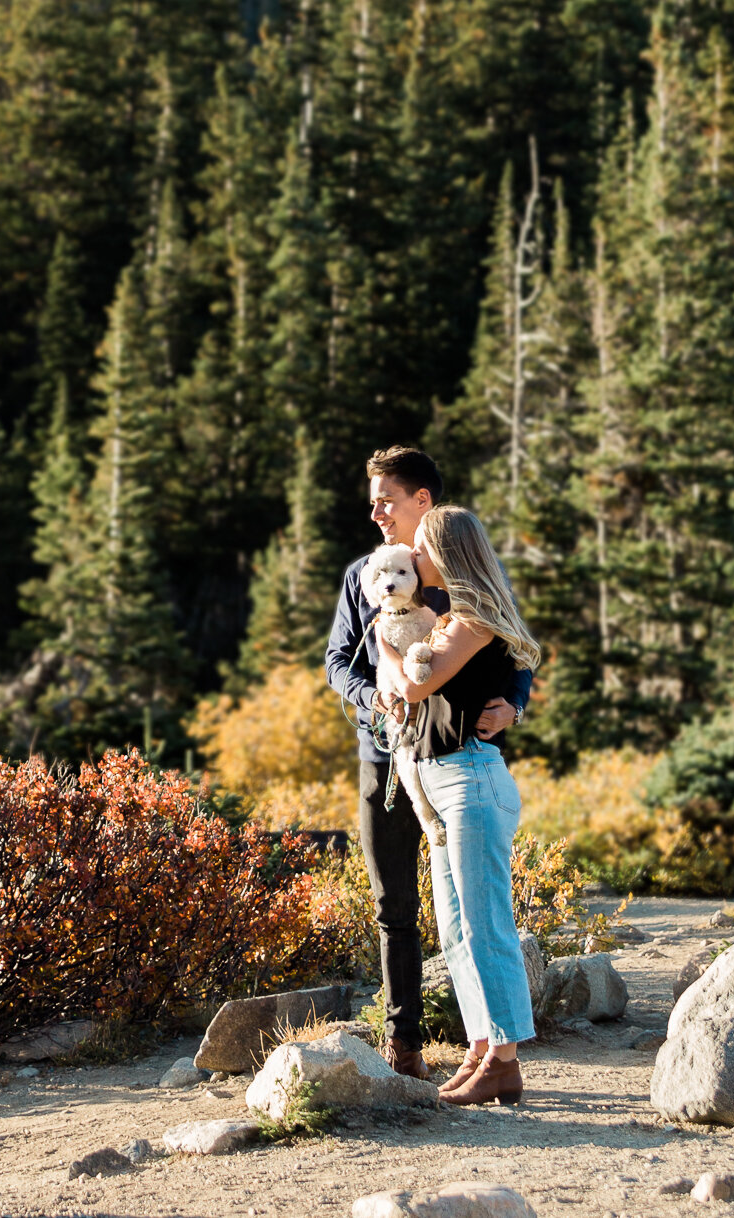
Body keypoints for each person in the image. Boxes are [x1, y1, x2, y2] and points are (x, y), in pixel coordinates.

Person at [324, 447, 531, 1081]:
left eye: (387, 499)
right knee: (432, 916)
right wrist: (375, 698)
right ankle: (450, 1047)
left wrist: (513, 708)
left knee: (478, 919)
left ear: (426, 508)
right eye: (373, 501)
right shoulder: (367, 575)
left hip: (460, 765)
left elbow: (492, 665)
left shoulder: (466, 603)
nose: (376, 513)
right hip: (399, 758)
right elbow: (341, 664)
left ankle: (500, 1056)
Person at [383, 504, 542, 1107]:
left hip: (471, 781)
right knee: (454, 929)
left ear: (445, 553)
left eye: (421, 549)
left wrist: (383, 648)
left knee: (485, 925)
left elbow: (414, 684)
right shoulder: (450, 618)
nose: (414, 558)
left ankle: (505, 1061)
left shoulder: (470, 619)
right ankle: (483, 1046)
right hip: (444, 782)